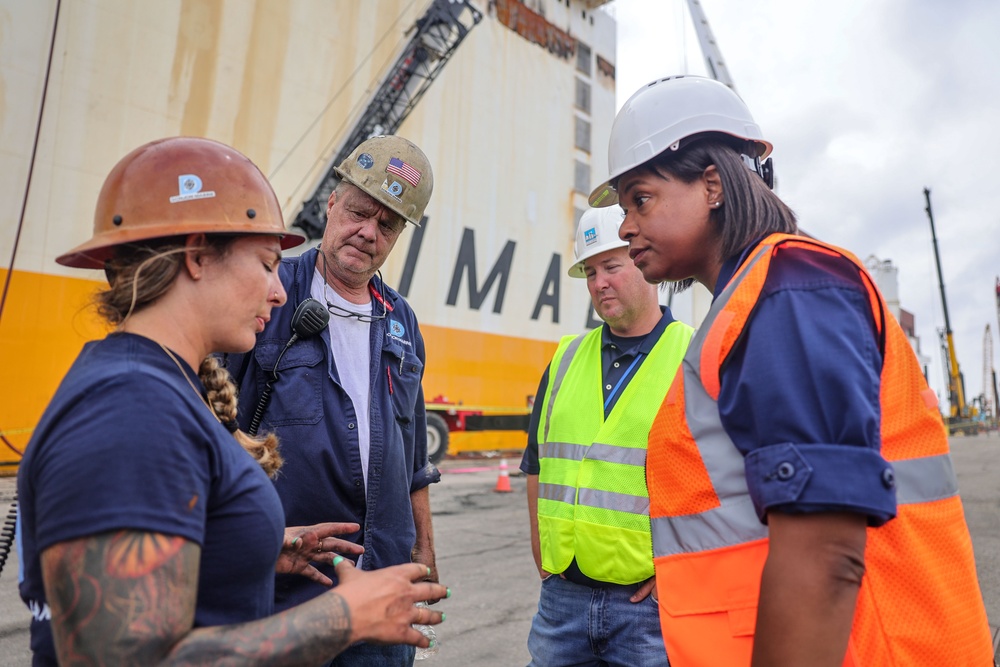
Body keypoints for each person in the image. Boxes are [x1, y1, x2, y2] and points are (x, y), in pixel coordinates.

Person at [589, 74, 994, 666]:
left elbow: (826, 553)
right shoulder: (752, 302)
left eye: (640, 199)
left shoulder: (788, 293)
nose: (625, 226)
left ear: (711, 186)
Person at [17, 136, 448, 666]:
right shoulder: (128, 412)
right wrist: (344, 616)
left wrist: (265, 545)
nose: (280, 289)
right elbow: (125, 656)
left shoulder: (151, 390)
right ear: (198, 256)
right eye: (268, 263)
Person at [228, 134, 439, 667]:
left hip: (384, 580)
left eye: (387, 225)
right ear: (332, 204)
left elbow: (411, 454)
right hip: (291, 581)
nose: (368, 232)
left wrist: (425, 549)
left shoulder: (402, 321)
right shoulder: (273, 292)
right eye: (358, 212)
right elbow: (215, 424)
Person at [519, 206, 693, 666]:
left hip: (647, 606)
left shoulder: (692, 357)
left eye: (612, 266)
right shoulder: (565, 359)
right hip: (561, 601)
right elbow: (537, 466)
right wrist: (545, 563)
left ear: (644, 260)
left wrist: (683, 568)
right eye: (591, 272)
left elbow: (724, 480)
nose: (599, 283)